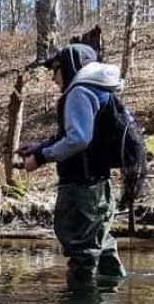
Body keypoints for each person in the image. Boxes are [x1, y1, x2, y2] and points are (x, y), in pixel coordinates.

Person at [19, 44, 127, 282]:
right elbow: (82, 135)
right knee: (104, 248)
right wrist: (40, 146)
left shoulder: (79, 92)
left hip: (82, 191)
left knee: (82, 254)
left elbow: (78, 139)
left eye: (56, 69)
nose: (53, 77)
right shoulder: (100, 90)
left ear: (70, 67)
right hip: (100, 188)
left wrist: (40, 157)